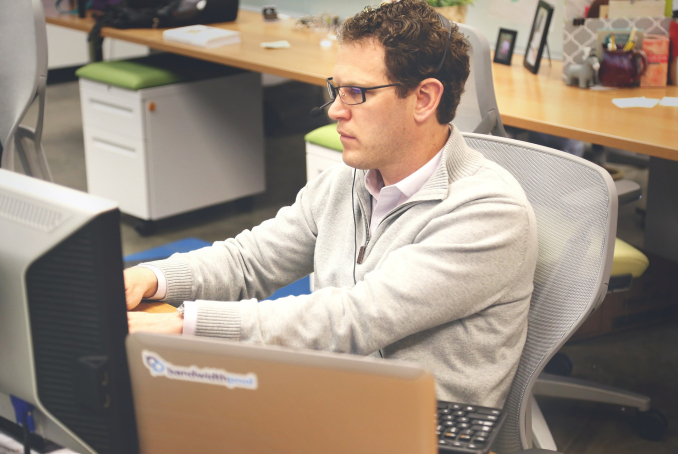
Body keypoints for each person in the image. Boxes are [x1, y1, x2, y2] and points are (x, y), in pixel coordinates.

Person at [126, 0, 538, 407]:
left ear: (425, 99)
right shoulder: (350, 179)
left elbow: (355, 319)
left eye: (356, 93)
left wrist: (185, 324)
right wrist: (149, 277)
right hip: (333, 388)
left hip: (420, 422)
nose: (335, 111)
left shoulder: (489, 212)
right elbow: (250, 260)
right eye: (336, 90)